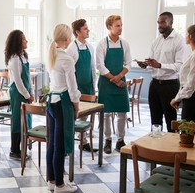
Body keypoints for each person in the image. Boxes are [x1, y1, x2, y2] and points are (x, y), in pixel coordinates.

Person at [137, 12, 186, 132]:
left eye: (163, 22)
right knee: (155, 119)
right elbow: (152, 63)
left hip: (170, 85)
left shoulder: (179, 40)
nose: (160, 25)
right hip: (154, 85)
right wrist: (145, 65)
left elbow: (179, 66)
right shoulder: (156, 41)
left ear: (171, 22)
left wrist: (160, 65)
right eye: (159, 22)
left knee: (171, 120)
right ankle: (156, 146)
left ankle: (172, 148)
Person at [46, 23, 80, 193]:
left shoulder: (52, 55)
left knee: (52, 143)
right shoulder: (66, 58)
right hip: (62, 103)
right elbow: (73, 89)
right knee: (59, 145)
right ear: (68, 39)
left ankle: (52, 180)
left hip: (51, 102)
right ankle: (60, 185)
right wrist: (77, 106)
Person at [96, 15, 132, 154]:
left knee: (122, 113)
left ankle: (120, 140)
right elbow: (100, 65)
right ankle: (108, 140)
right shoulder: (102, 44)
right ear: (109, 27)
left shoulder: (125, 44)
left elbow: (128, 63)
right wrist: (114, 79)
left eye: (121, 25)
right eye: (117, 25)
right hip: (106, 83)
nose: (120, 28)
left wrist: (119, 77)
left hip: (120, 81)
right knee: (105, 113)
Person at [170, 24, 195, 123]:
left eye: (186, 34)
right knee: (188, 132)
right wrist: (180, 98)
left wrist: (176, 99)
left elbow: (191, 84)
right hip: (192, 96)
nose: (185, 36)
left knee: (188, 133)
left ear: (191, 37)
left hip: (193, 97)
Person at [66, 19, 97, 152]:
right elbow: (69, 71)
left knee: (86, 116)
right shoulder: (71, 48)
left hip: (88, 86)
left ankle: (83, 142)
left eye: (87, 28)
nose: (88, 30)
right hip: (76, 88)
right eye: (85, 28)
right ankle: (68, 143)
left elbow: (93, 67)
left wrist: (94, 86)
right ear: (77, 32)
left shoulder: (90, 47)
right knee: (74, 116)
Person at [4, 30, 34, 160]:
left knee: (25, 121)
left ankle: (22, 148)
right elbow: (18, 80)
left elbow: (28, 79)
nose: (26, 41)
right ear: (17, 42)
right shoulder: (15, 59)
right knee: (17, 121)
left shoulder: (23, 57)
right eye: (23, 39)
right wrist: (27, 95)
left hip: (25, 92)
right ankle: (14, 150)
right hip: (18, 93)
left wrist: (31, 92)